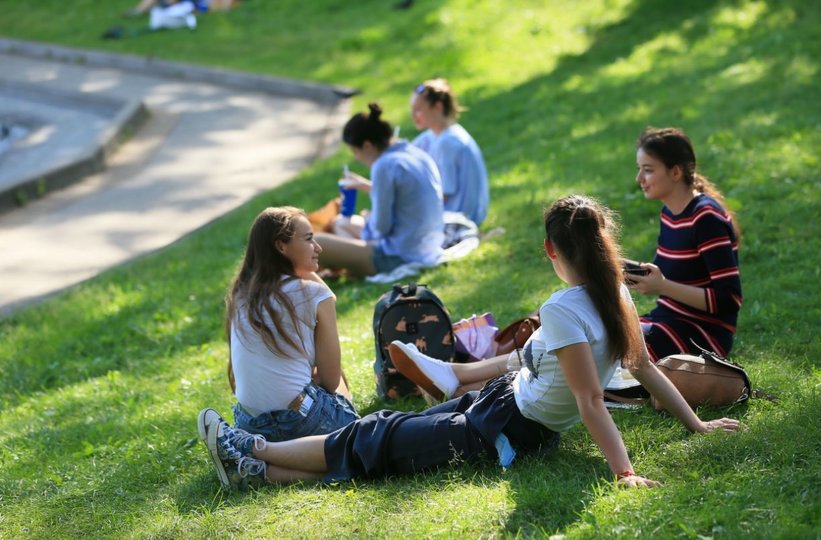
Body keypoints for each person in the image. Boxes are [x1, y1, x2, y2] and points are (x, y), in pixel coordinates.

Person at [198, 194, 741, 490]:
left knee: (376, 439)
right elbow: (643, 368)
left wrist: (623, 473)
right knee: (381, 432)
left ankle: (253, 451)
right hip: (506, 402)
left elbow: (592, 401)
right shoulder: (617, 293)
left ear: (551, 251)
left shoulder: (563, 308)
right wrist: (696, 422)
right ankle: (256, 469)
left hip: (505, 430)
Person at [206, 206, 359, 469]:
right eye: (309, 239)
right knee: (349, 413)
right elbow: (332, 380)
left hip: (251, 424)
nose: (318, 248)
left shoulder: (241, 295)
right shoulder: (314, 294)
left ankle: (260, 462)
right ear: (281, 246)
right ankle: (299, 456)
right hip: (301, 420)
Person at [624, 127, 742, 361]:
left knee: (620, 349)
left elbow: (729, 299)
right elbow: (669, 272)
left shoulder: (706, 219)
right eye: (639, 170)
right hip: (667, 319)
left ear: (675, 172)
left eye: (647, 170)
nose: (639, 179)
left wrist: (662, 286)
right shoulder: (669, 212)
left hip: (703, 333)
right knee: (600, 330)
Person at [314, 103, 445, 277]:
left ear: (367, 145)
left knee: (316, 242)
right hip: (428, 245)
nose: (356, 158)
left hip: (399, 255)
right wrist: (366, 187)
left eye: (355, 151)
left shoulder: (383, 165)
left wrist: (370, 220)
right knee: (341, 223)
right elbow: (407, 196)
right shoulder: (413, 152)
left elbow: (381, 228)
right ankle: (341, 267)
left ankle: (337, 270)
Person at [409, 79, 489, 226]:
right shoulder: (434, 135)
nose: (413, 115)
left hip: (460, 220)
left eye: (418, 109)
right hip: (456, 215)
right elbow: (405, 155)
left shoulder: (449, 143)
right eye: (412, 109)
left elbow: (442, 195)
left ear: (438, 107)